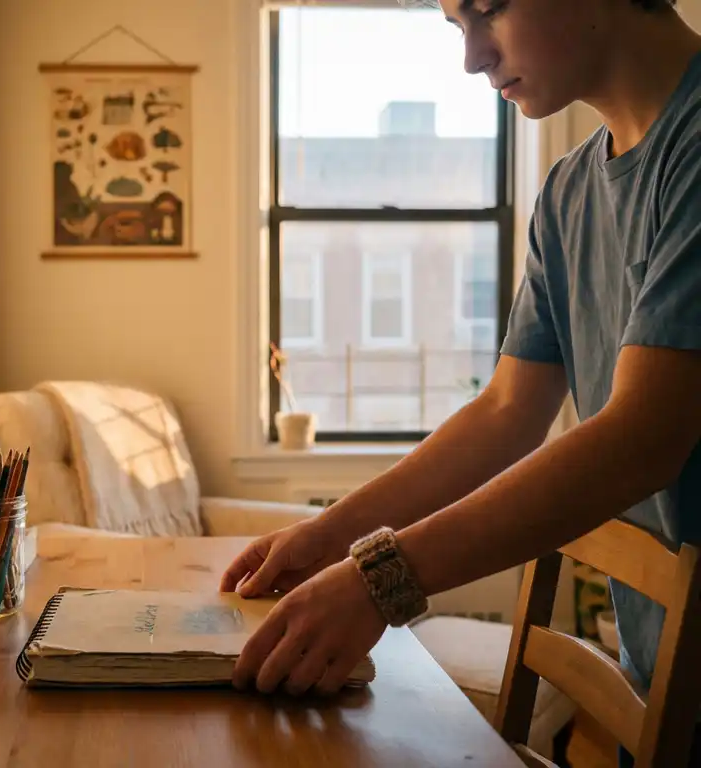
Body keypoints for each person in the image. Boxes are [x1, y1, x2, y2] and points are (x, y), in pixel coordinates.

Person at [220, 0, 701, 764]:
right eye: (457, 25)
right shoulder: (570, 190)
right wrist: (329, 535)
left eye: (488, 10)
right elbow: (508, 412)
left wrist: (380, 579)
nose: (473, 57)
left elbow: (642, 439)